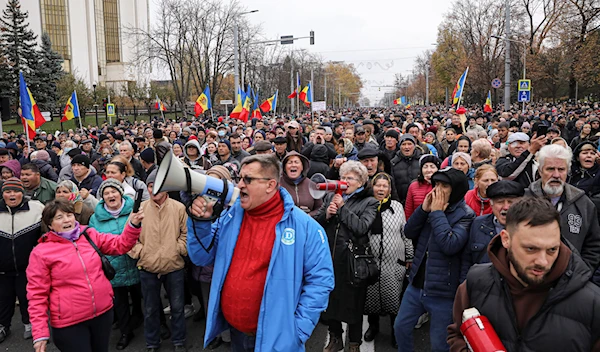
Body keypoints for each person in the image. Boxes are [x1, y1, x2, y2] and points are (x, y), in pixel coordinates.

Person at [187, 154, 334, 351]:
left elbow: (320, 281)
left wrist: (298, 331)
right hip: (236, 332)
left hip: (277, 340)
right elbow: (201, 256)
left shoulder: (306, 227)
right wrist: (200, 222)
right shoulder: (230, 216)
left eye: (248, 179)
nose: (239, 185)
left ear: (270, 185)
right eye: (239, 178)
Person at [447, 197, 600, 352]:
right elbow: (457, 335)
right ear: (506, 239)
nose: (543, 261)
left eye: (552, 250)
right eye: (531, 249)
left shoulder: (592, 303)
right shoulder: (475, 283)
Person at [27, 198, 144, 352]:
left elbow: (121, 244)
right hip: (69, 323)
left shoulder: (89, 234)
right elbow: (37, 295)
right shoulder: (41, 252)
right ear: (49, 225)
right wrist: (40, 333)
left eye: (69, 215)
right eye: (59, 217)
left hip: (102, 314)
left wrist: (133, 224)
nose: (66, 220)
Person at [394, 168, 474, 352]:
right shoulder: (431, 207)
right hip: (417, 285)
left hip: (443, 293)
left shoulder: (466, 215)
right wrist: (423, 210)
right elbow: (408, 232)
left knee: (440, 345)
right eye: (436, 184)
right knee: (401, 327)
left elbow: (450, 244)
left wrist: (437, 213)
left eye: (444, 186)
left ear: (456, 189)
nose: (438, 190)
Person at [315, 160, 378, 352]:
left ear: (360, 182)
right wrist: (326, 214)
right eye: (343, 177)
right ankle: (335, 338)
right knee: (331, 303)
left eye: (350, 178)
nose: (344, 181)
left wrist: (342, 208)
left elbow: (361, 228)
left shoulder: (370, 202)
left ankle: (354, 343)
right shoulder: (330, 197)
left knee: (354, 306)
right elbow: (316, 222)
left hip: (353, 263)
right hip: (331, 260)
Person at [128, 171, 188, 352]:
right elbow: (129, 237)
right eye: (151, 185)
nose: (154, 189)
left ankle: (179, 341)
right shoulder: (139, 209)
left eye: (158, 185)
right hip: (148, 266)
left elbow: (186, 234)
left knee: (177, 308)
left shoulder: (178, 207)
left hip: (174, 265)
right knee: (151, 309)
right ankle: (152, 343)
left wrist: (178, 250)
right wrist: (141, 253)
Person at [525, 144, 600, 272]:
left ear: (568, 171)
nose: (556, 175)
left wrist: (581, 272)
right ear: (540, 171)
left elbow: (593, 245)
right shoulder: (524, 201)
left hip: (573, 281)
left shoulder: (584, 204)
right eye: (550, 169)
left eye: (561, 169)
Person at [89, 179, 144, 350]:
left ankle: (143, 319)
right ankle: (126, 331)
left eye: (114, 191)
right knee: (119, 302)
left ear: (121, 193)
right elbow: (93, 244)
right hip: (114, 267)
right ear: (102, 197)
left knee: (141, 296)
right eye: (106, 193)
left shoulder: (135, 211)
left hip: (137, 262)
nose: (111, 195)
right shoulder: (95, 218)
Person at [363, 173, 413, 348]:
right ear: (372, 187)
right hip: (371, 262)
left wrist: (409, 255)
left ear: (390, 190)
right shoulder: (366, 206)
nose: (381, 189)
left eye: (385, 186)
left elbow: (405, 232)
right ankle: (373, 326)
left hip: (393, 263)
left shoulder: (397, 207)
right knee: (371, 298)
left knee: (394, 299)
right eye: (378, 186)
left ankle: (394, 331)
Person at [0, 178, 44, 343]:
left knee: (28, 297)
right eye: (8, 191)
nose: (12, 194)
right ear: (3, 193)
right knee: (3, 298)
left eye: (16, 191)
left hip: (28, 267)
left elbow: (46, 234)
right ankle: (3, 325)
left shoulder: (36, 208)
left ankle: (30, 324)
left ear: (22, 193)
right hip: (2, 268)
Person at [460, 180, 525, 278]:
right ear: (491, 204)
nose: (506, 207)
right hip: (482, 287)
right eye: (500, 202)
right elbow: (467, 260)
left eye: (511, 202)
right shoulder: (478, 224)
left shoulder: (527, 227)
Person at [279, 151, 323, 216]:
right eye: (290, 162)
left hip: (306, 223)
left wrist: (309, 215)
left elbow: (320, 208)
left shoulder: (312, 185)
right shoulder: (278, 185)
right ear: (284, 168)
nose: (293, 165)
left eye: (296, 162)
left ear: (302, 167)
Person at [405, 155, 440, 219]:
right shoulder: (413, 186)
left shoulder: (442, 185)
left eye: (432, 167)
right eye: (425, 167)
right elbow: (408, 211)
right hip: (417, 223)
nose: (429, 170)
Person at [391, 134, 423, 204]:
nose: (406, 147)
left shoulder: (422, 161)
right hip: (401, 202)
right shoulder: (394, 163)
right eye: (404, 144)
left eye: (409, 144)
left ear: (414, 146)